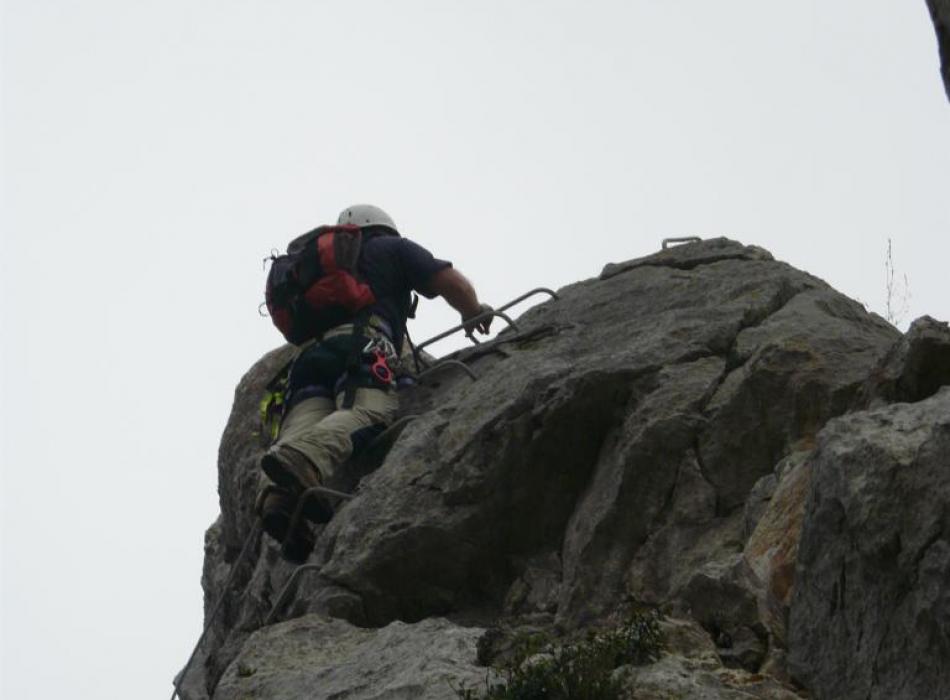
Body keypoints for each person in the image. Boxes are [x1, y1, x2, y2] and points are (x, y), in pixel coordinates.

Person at [256, 203, 492, 560]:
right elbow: (447, 280)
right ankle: (302, 457)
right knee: (368, 412)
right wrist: (472, 310)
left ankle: (279, 500)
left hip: (308, 360)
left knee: (303, 422)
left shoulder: (318, 268)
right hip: (362, 343)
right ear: (384, 227)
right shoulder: (391, 248)